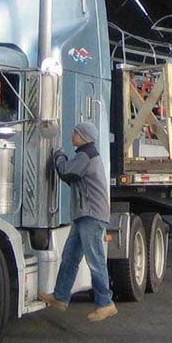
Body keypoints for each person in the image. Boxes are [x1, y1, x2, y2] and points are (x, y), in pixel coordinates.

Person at [39, 122, 118, 322]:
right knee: (70, 256)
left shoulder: (86, 155)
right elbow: (71, 177)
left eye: (75, 132)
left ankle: (105, 303)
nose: (72, 135)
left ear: (84, 136)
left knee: (95, 260)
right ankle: (61, 297)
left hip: (91, 214)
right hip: (84, 214)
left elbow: (67, 172)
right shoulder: (87, 154)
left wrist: (58, 155)